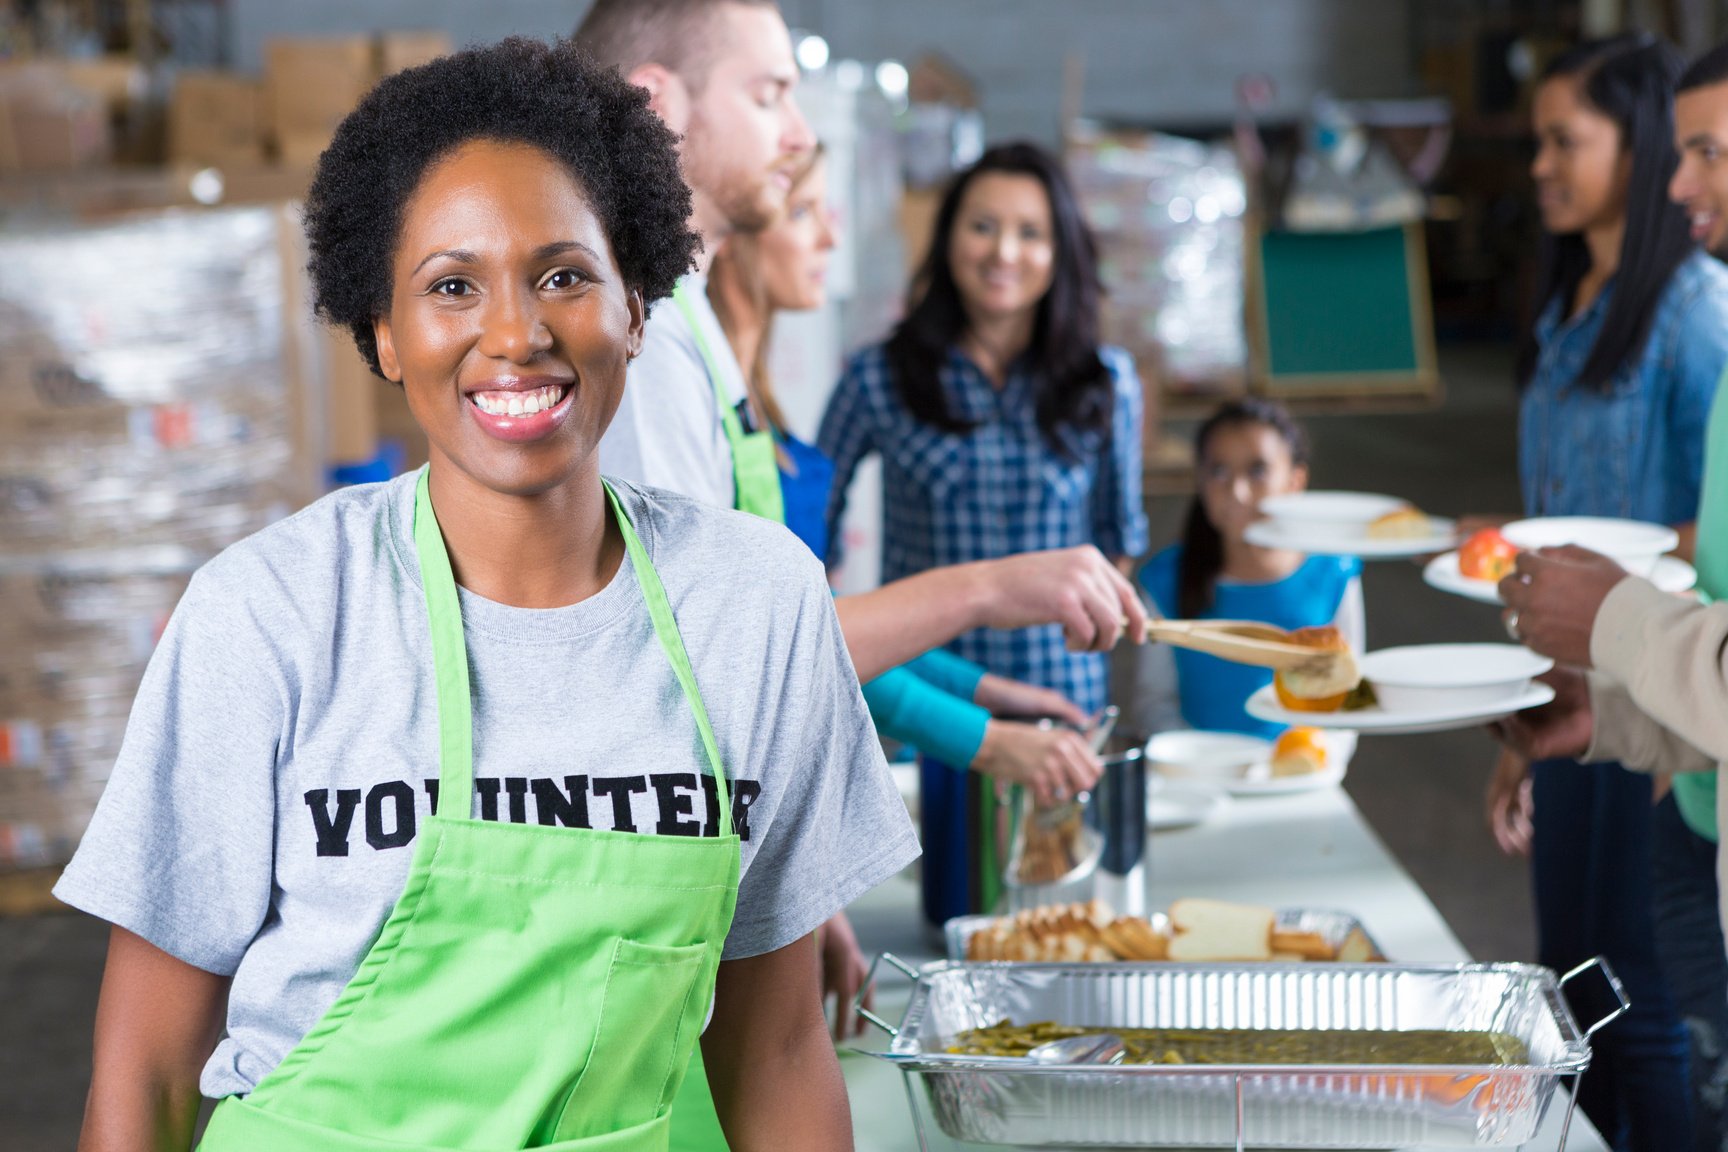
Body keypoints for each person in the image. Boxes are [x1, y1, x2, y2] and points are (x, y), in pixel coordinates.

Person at [54, 39, 917, 1152]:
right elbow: (147, 1079)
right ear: (384, 334)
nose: (514, 335)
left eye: (564, 275)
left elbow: (776, 1054)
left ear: (639, 311)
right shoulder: (272, 616)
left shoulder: (756, 608)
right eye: (452, 286)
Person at [578, 0, 1147, 687]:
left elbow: (766, 614)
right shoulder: (646, 339)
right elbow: (710, 648)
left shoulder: (683, 317)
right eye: (769, 98)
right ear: (656, 103)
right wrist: (987, 595)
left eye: (1032, 234)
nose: (798, 134)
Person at [1473, 33, 1728, 1151]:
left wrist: (1610, 613)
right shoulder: (1567, 302)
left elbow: (1690, 549)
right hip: (1619, 705)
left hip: (1662, 689)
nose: (1682, 185)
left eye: (1564, 141)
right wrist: (1568, 703)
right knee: (1573, 992)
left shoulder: (1696, 314)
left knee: (1646, 1016)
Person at [708, 145, 1106, 807]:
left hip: (1033, 709)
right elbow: (789, 637)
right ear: (728, 236)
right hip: (901, 739)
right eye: (804, 212)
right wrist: (982, 729)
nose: (832, 236)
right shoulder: (869, 376)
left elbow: (812, 623)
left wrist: (985, 695)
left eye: (1031, 232)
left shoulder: (750, 393)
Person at [818, 141, 1148, 925]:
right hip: (925, 715)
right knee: (925, 919)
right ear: (948, 241)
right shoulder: (879, 376)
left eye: (1030, 232)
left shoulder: (1105, 381)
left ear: (1059, 251)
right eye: (983, 227)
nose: (1005, 252)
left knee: (1058, 925)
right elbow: (803, 545)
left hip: (1060, 713)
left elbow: (1117, 537)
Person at [1135, 398, 1363, 740]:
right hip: (1196, 778)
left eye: (1257, 471)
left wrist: (1311, 759)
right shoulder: (1166, 578)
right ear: (1200, 480)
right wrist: (1202, 762)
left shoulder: (1333, 572)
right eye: (1218, 471)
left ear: (1295, 481)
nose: (1238, 492)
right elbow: (1153, 701)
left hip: (1298, 776)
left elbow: (1350, 693)